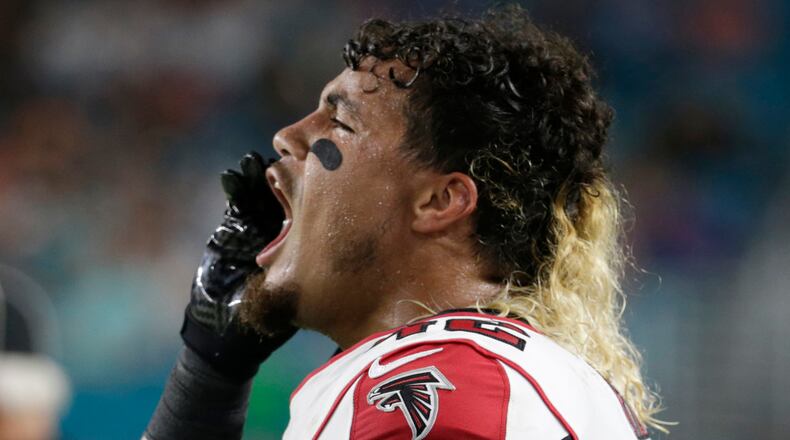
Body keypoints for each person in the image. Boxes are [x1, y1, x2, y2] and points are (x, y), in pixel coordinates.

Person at [145, 6, 665, 439]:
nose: (286, 136)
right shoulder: (486, 373)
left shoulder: (436, 384)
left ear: (439, 201)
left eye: (340, 121)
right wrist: (209, 374)